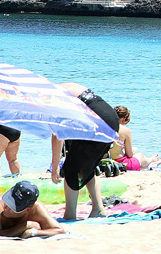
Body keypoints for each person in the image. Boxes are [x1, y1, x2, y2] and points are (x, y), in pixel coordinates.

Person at [51, 83, 123, 220]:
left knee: (71, 168)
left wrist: (55, 167)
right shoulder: (61, 87)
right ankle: (98, 208)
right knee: (86, 167)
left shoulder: (51, 96)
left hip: (97, 120)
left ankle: (70, 215)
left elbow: (57, 135)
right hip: (110, 118)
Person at [0, 180, 66, 237]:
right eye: (8, 200)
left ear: (28, 209)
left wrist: (33, 232)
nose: (6, 207)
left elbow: (60, 231)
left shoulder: (36, 209)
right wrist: (24, 226)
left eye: (13, 206)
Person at [108, 106, 160, 171]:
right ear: (124, 119)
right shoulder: (125, 130)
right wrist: (131, 151)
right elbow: (129, 155)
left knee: (140, 162)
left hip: (107, 162)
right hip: (121, 164)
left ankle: (149, 164)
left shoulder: (105, 126)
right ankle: (151, 160)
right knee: (140, 155)